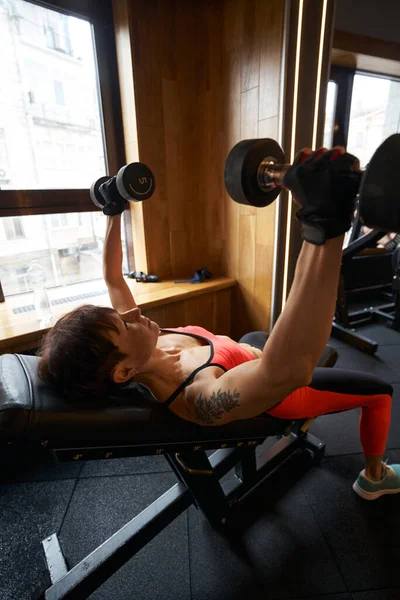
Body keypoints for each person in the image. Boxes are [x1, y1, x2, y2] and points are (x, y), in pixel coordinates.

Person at [38, 147, 400, 501]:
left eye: (120, 314)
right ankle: (374, 477)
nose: (132, 314)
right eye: (124, 325)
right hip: (286, 390)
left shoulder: (142, 344)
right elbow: (289, 370)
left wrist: (113, 208)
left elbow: (113, 279)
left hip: (248, 353)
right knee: (380, 393)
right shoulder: (200, 397)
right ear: (123, 372)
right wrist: (326, 225)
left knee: (262, 336)